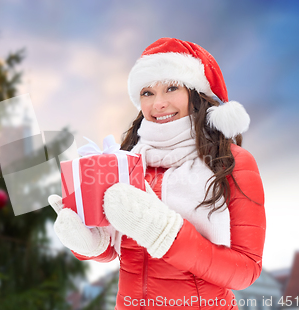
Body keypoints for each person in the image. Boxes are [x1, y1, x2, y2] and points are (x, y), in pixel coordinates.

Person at [48, 37, 265, 309]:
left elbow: (246, 270)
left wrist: (164, 232)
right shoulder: (126, 160)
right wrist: (89, 242)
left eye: (171, 87)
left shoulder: (230, 162)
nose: (158, 103)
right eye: (147, 93)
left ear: (196, 93)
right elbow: (120, 251)